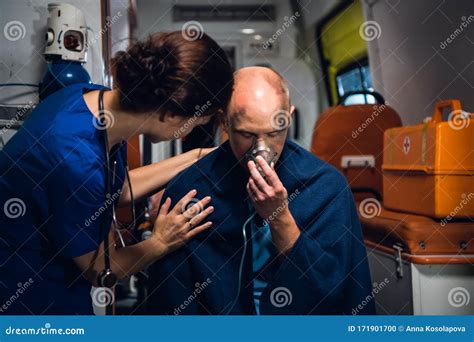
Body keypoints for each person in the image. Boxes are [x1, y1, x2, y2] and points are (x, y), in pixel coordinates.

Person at [0, 31, 234, 314]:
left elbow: (117, 189)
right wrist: (161, 242)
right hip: (30, 300)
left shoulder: (89, 99)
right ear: (172, 114)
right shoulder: (73, 159)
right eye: (197, 122)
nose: (191, 131)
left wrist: (198, 157)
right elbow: (100, 272)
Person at [147, 66, 374, 315]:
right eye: (246, 134)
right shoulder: (190, 188)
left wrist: (280, 217)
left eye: (275, 132)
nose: (261, 149)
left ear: (289, 116)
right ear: (224, 121)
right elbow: (171, 300)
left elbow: (337, 292)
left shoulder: (327, 186)